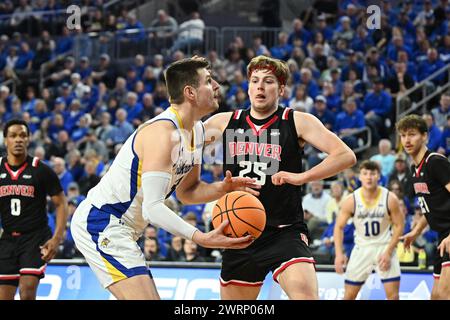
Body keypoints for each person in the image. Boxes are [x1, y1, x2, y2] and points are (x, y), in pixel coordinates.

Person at [70, 57, 259, 300]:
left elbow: (187, 192)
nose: (217, 87)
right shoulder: (162, 133)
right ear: (190, 92)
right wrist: (200, 237)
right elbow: (152, 208)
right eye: (209, 81)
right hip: (102, 222)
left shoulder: (198, 130)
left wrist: (222, 188)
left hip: (127, 228)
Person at [204, 55, 356, 300]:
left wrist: (301, 177)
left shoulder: (296, 121)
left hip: (284, 232)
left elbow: (345, 155)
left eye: (268, 81)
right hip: (239, 231)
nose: (260, 87)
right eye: (254, 81)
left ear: (281, 89)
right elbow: (182, 152)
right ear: (248, 86)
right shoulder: (224, 122)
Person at [0, 119, 68, 300]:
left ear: (29, 139)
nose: (18, 140)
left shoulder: (41, 170)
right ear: (5, 140)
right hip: (7, 238)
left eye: (23, 135)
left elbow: (61, 203)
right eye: (13, 136)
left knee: (27, 291)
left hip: (34, 238)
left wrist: (56, 238)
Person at [397, 114, 450, 300]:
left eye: (412, 134)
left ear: (425, 136)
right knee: (435, 296)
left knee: (445, 294)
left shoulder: (435, 162)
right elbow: (429, 207)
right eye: (403, 135)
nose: (407, 140)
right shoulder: (414, 169)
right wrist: (415, 232)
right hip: (441, 236)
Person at [333, 160, 404, 300]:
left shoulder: (390, 198)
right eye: (365, 173)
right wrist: (339, 254)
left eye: (373, 173)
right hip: (362, 248)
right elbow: (339, 227)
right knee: (348, 296)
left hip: (384, 247)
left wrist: (389, 252)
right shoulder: (351, 200)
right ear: (360, 176)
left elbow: (399, 225)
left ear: (379, 176)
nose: (369, 177)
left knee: (394, 297)